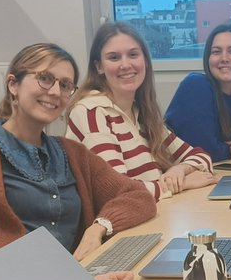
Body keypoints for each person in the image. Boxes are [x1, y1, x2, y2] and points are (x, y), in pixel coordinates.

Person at [0, 42, 155, 280]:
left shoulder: (71, 153)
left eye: (66, 85)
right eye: (45, 79)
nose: (56, 91)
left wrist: (98, 228)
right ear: (13, 84)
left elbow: (137, 196)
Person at [67, 22, 216, 200]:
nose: (126, 64)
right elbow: (118, 190)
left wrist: (180, 169)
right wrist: (181, 184)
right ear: (99, 67)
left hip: (152, 215)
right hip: (120, 224)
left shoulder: (141, 114)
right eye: (114, 58)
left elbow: (201, 157)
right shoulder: (91, 113)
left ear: (145, 59)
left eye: (133, 54)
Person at [165, 23, 231, 161]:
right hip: (179, 175)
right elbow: (204, 152)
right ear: (208, 58)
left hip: (218, 173)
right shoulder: (195, 87)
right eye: (216, 52)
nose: (224, 58)